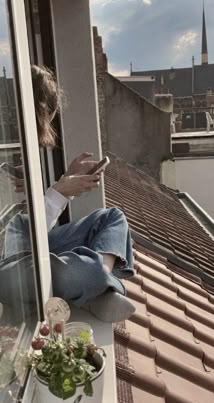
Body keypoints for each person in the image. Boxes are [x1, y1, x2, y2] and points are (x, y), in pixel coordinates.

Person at [0, 65, 135, 323]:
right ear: (43, 110)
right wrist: (60, 192)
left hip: (26, 241)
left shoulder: (20, 145)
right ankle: (99, 287)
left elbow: (29, 223)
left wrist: (61, 182)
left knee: (112, 218)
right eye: (50, 113)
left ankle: (96, 287)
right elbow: (12, 241)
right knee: (76, 272)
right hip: (7, 262)